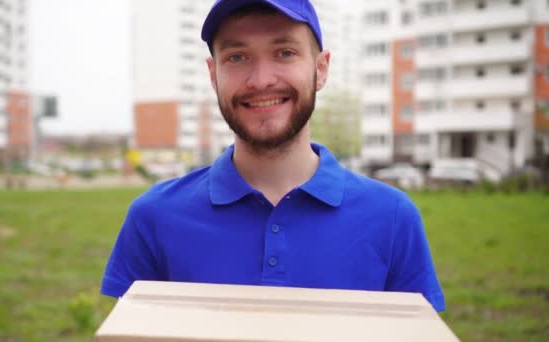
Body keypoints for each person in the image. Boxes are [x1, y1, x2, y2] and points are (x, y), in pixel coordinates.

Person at [101, 0, 445, 312]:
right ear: (212, 74)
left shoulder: (393, 218)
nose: (261, 80)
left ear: (321, 69)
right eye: (237, 57)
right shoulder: (153, 218)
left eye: (284, 53)